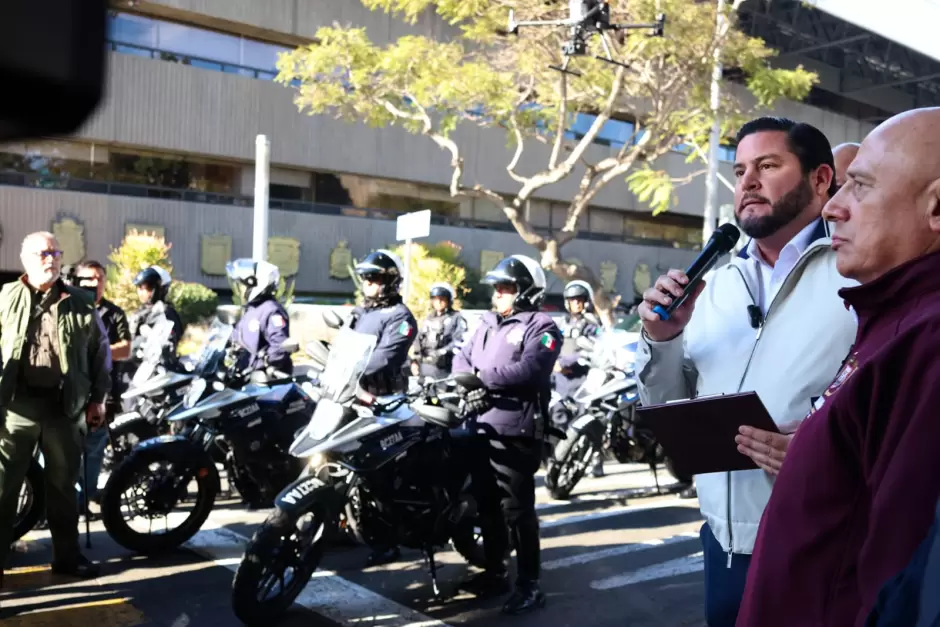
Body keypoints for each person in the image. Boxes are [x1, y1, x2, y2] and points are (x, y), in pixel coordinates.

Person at [634, 116, 858, 627]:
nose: (747, 183)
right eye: (738, 171)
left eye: (768, 165)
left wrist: (824, 451)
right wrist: (663, 340)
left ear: (821, 180)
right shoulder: (717, 285)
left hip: (820, 542)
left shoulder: (857, 272)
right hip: (721, 541)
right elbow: (669, 405)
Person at [735, 107, 940, 627]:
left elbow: (902, 582)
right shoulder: (893, 318)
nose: (834, 209)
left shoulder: (927, 341)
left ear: (937, 207)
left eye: (862, 187)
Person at [452, 254, 562, 615]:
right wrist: (468, 379)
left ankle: (529, 584)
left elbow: (531, 370)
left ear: (526, 291)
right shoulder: (485, 322)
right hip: (478, 424)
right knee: (485, 504)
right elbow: (462, 358)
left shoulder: (542, 327)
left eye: (506, 288)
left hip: (515, 429)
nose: (498, 294)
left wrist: (483, 379)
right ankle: (495, 569)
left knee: (517, 510)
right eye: (496, 288)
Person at [0, 232, 111, 580]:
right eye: (43, 252)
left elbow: (100, 354)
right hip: (16, 406)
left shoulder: (81, 301)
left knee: (63, 487)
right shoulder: (5, 297)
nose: (51, 258)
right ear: (25, 258)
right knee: (4, 486)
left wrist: (97, 399)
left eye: (56, 252)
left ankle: (67, 557)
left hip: (64, 407)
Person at [347, 249, 417, 566]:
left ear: (389, 282)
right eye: (366, 278)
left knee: (383, 474)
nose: (369, 284)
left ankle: (389, 539)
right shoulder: (362, 314)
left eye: (374, 278)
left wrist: (354, 369)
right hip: (356, 397)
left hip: (387, 403)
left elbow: (385, 358)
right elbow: (344, 347)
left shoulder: (401, 318)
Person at [72, 260, 131, 510]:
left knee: (93, 451)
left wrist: (96, 352)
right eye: (90, 278)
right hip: (70, 393)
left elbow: (126, 348)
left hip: (102, 392)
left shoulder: (114, 313)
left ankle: (83, 500)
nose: (95, 283)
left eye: (100, 278)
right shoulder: (69, 307)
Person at [550, 280, 602, 476]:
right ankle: (560, 460)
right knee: (559, 418)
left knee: (585, 420)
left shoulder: (591, 325)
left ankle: (595, 460)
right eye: (572, 300)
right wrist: (550, 359)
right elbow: (547, 342)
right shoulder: (559, 324)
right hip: (560, 382)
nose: (576, 304)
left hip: (582, 380)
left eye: (580, 300)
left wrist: (565, 363)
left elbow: (592, 350)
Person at [227, 258, 292, 375]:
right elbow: (237, 338)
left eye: (242, 285)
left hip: (265, 379)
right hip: (243, 374)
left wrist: (262, 362)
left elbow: (280, 345)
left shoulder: (271, 310)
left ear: (255, 285)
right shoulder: (250, 309)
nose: (240, 289)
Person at [411, 282, 467, 379]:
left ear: (448, 300)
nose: (439, 302)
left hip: (444, 368)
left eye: (442, 299)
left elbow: (460, 341)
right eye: (435, 299)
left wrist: (441, 352)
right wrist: (416, 358)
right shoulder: (429, 318)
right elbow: (418, 338)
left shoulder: (457, 318)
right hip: (424, 366)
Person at [129, 265, 183, 359]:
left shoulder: (165, 313)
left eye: (147, 287)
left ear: (159, 289)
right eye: (139, 287)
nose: (141, 292)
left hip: (151, 367)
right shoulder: (142, 311)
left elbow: (167, 344)